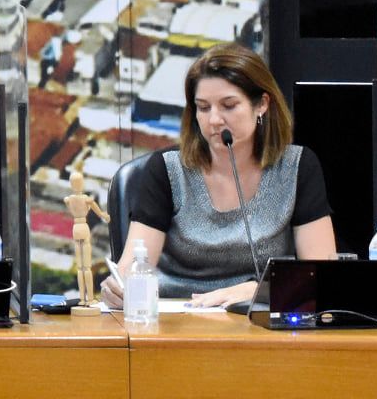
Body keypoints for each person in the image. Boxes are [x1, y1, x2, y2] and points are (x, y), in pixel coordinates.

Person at [100, 43, 336, 309]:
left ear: (261, 104)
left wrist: (259, 289)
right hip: (178, 320)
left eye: (228, 106)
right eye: (203, 107)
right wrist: (119, 287)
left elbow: (322, 274)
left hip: (258, 320)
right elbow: (133, 264)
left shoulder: (297, 167)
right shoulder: (167, 170)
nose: (214, 120)